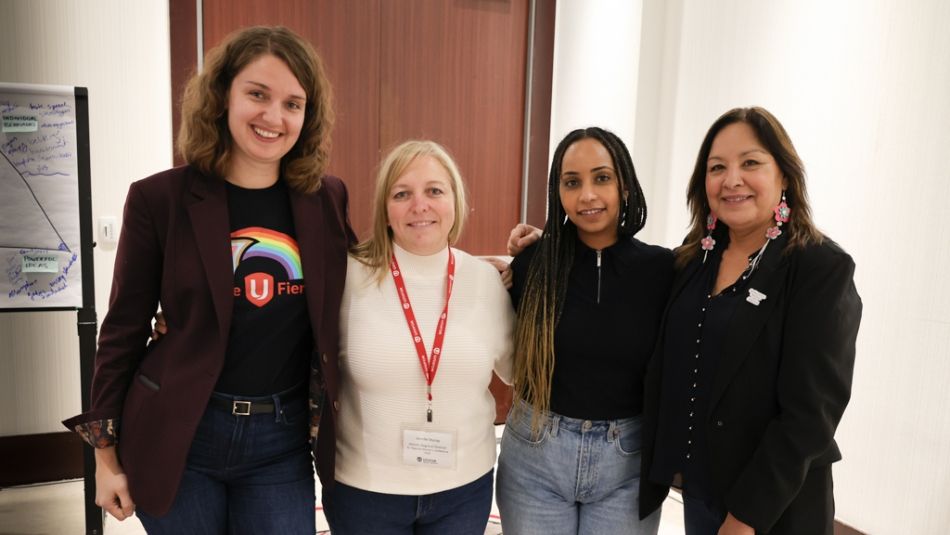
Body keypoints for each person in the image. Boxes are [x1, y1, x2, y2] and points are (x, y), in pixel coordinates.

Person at [62, 26, 354, 533]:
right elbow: (123, 330)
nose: (274, 117)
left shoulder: (327, 199)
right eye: (257, 95)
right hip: (182, 432)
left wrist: (504, 267)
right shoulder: (160, 201)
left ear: (308, 117)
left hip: (279, 442)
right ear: (222, 98)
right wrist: (104, 458)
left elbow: (369, 280)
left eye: (293, 103)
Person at [638, 107, 862, 534]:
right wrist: (545, 249)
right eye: (717, 167)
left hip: (773, 508)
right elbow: (630, 276)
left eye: (751, 163)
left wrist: (744, 520)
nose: (732, 179)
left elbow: (810, 414)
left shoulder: (819, 268)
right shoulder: (696, 257)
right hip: (700, 493)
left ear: (784, 176)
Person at [320, 140, 514, 534]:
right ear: (385, 210)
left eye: (434, 191)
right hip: (364, 492)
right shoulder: (345, 277)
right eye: (402, 193)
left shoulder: (485, 281)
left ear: (455, 201)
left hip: (464, 490)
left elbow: (519, 372)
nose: (419, 205)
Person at [497, 127, 673, 535]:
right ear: (557, 192)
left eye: (602, 178)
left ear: (624, 185)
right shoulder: (531, 267)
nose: (587, 195)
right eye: (572, 182)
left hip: (627, 462)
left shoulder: (662, 271)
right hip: (535, 456)